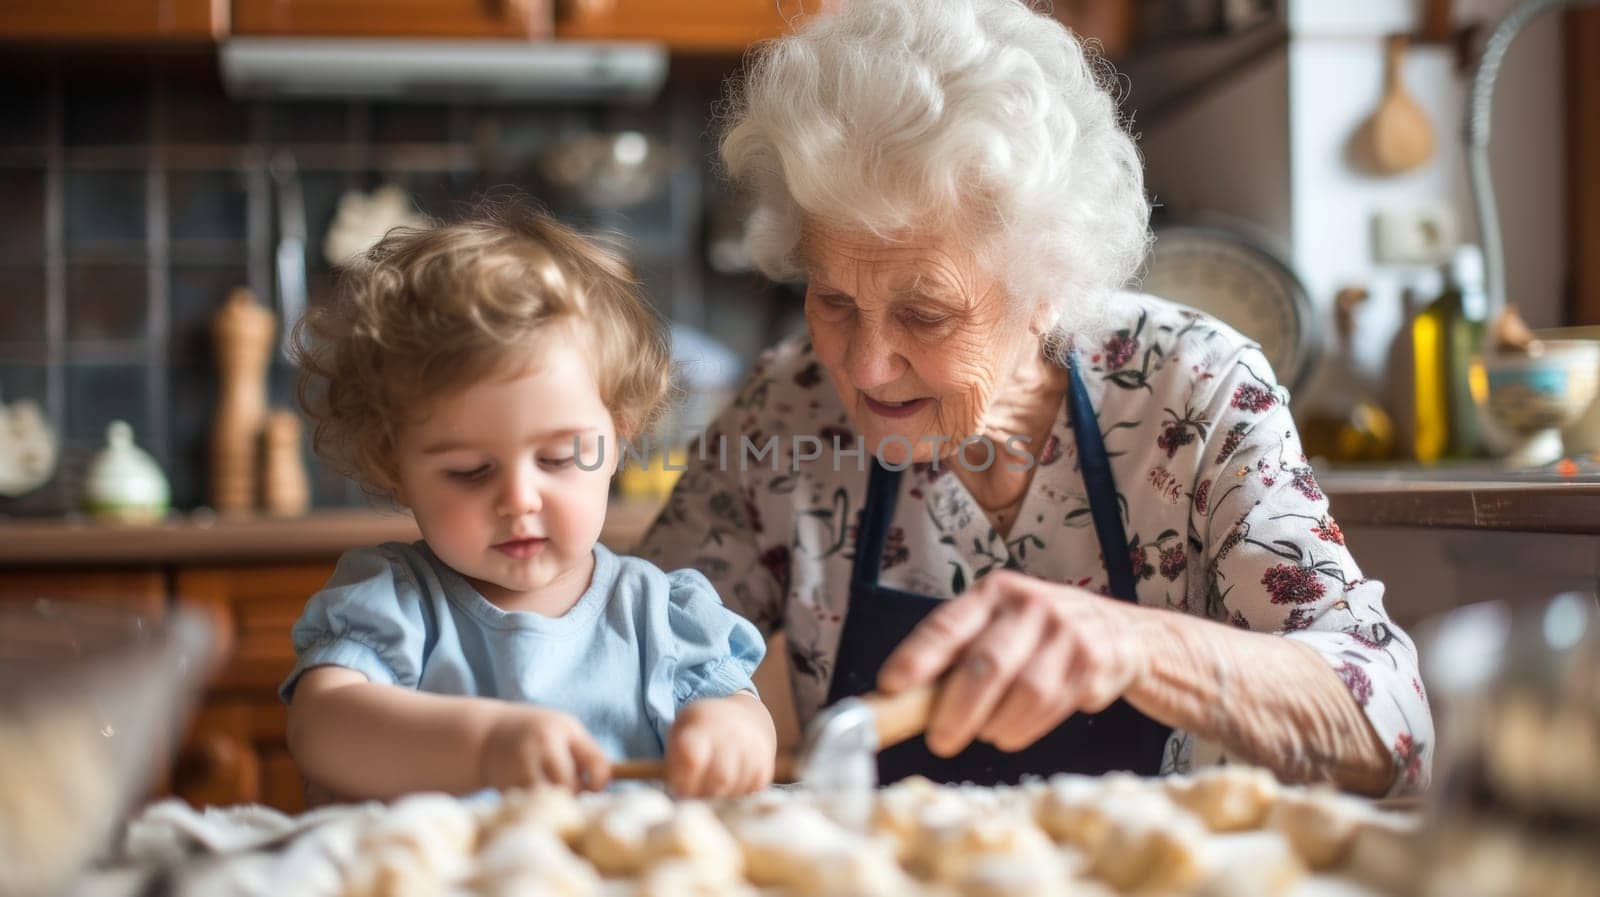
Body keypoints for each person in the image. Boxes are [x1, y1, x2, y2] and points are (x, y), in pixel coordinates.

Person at [637, 0, 1432, 795]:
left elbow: (1393, 725)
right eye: (834, 301)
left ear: (1046, 285)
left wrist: (1139, 645)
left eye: (926, 312)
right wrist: (714, 704)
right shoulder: (788, 407)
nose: (867, 367)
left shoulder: (1196, 393)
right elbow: (625, 645)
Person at [281, 206, 774, 799]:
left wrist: (729, 734)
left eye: (559, 459)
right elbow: (322, 728)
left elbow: (747, 716)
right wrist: (485, 748)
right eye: (469, 471)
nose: (518, 500)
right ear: (396, 467)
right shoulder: (395, 605)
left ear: (617, 439)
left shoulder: (663, 618)